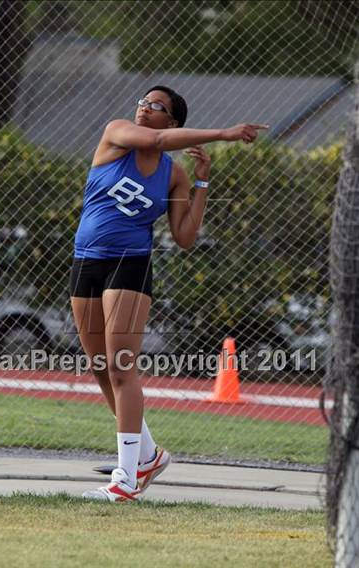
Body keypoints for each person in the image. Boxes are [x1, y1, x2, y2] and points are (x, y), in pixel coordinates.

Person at [70, 85, 268, 501]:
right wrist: (224, 133)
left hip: (131, 264)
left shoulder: (172, 173)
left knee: (122, 367)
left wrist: (201, 182)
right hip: (86, 260)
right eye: (143, 102)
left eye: (155, 106)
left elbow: (184, 237)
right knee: (101, 367)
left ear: (173, 120)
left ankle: (125, 479)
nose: (144, 108)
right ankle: (149, 456)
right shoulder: (117, 133)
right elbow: (155, 141)